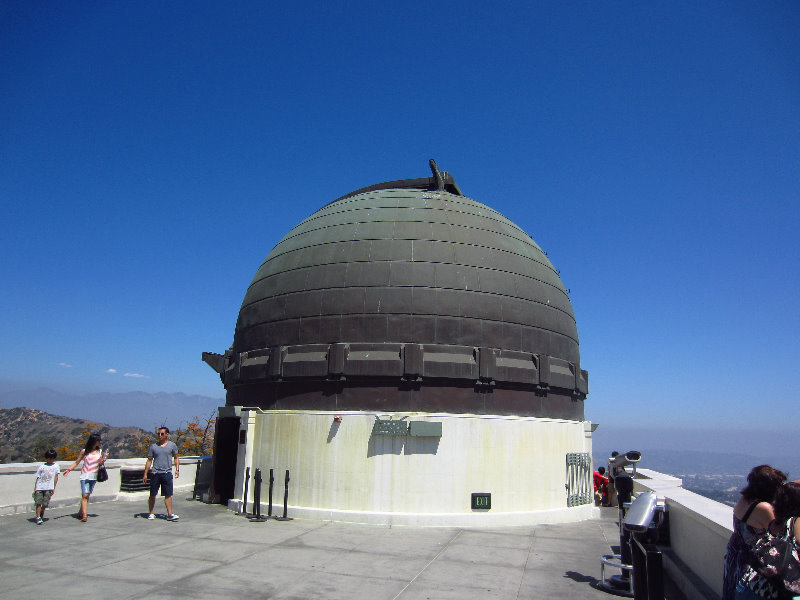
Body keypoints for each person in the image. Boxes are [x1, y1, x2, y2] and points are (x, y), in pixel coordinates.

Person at [722, 465, 787, 600]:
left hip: (735, 554)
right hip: (750, 562)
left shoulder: (744, 499)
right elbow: (780, 533)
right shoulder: (763, 508)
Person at [736, 481, 800, 599]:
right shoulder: (796, 523)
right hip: (771, 593)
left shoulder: (775, 524)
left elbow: (787, 489)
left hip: (750, 585)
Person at [63, 433, 108, 522]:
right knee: (85, 495)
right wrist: (69, 469)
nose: (99, 442)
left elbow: (101, 464)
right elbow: (77, 462)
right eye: (98, 441)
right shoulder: (85, 451)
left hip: (93, 476)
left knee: (87, 495)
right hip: (84, 475)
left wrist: (102, 460)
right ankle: (84, 515)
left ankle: (80, 512)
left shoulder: (100, 452)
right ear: (94, 441)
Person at [143, 427, 180, 521]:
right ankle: (151, 513)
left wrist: (177, 469)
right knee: (152, 494)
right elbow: (149, 460)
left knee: (168, 494)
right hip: (155, 473)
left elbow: (176, 457)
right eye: (158, 434)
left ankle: (170, 514)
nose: (160, 436)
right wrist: (145, 474)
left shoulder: (172, 445)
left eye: (162, 434)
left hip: (167, 473)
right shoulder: (153, 447)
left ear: (167, 435)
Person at [32, 448, 60, 524]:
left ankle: (42, 512)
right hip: (40, 487)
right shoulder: (42, 466)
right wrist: (35, 488)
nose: (50, 460)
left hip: (49, 487)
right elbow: (38, 477)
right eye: (48, 458)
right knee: (38, 502)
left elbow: (56, 477)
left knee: (45, 503)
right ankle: (38, 517)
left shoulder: (56, 466)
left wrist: (53, 487)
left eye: (52, 458)